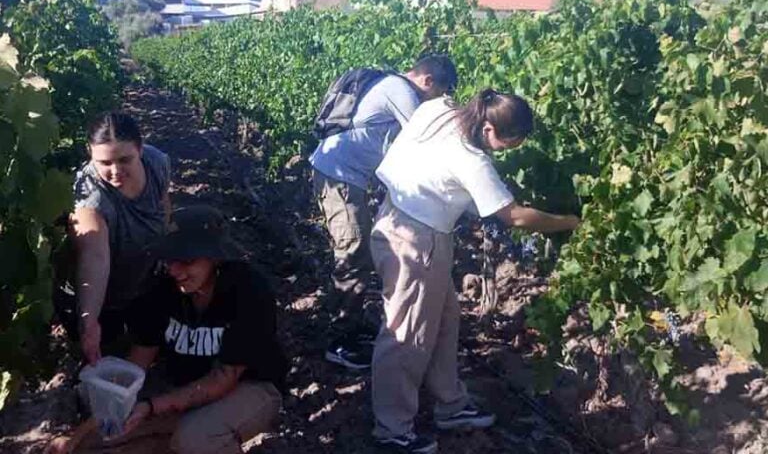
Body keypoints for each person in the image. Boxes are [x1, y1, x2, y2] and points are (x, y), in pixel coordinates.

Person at [369, 89, 581, 453]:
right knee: (407, 334)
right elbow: (514, 217)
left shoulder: (439, 108)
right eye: (508, 143)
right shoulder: (472, 160)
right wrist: (570, 222)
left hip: (396, 219)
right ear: (488, 129)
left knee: (444, 319)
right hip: (418, 241)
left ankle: (450, 404)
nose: (508, 151)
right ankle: (392, 430)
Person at [45, 205, 288, 454]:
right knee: (101, 438)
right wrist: (77, 436)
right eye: (171, 259)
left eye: (186, 261)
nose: (174, 270)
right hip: (188, 388)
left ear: (215, 258)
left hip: (250, 386)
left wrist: (152, 406)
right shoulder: (161, 288)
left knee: (194, 439)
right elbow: (137, 365)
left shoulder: (248, 291)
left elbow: (224, 379)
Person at [310, 55, 458, 370]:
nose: (435, 102)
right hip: (340, 177)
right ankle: (340, 341)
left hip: (343, 176)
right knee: (352, 252)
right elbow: (427, 137)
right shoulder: (400, 90)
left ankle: (351, 321)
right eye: (439, 93)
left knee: (358, 251)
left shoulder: (391, 85)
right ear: (428, 80)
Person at [54, 112, 172, 364]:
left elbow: (163, 205)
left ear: (140, 149)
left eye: (125, 159)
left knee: (149, 339)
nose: (115, 171)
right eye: (104, 162)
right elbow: (95, 257)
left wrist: (165, 250)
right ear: (90, 153)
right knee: (101, 356)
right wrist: (89, 322)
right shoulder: (89, 196)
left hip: (144, 276)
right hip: (100, 294)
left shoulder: (156, 163)